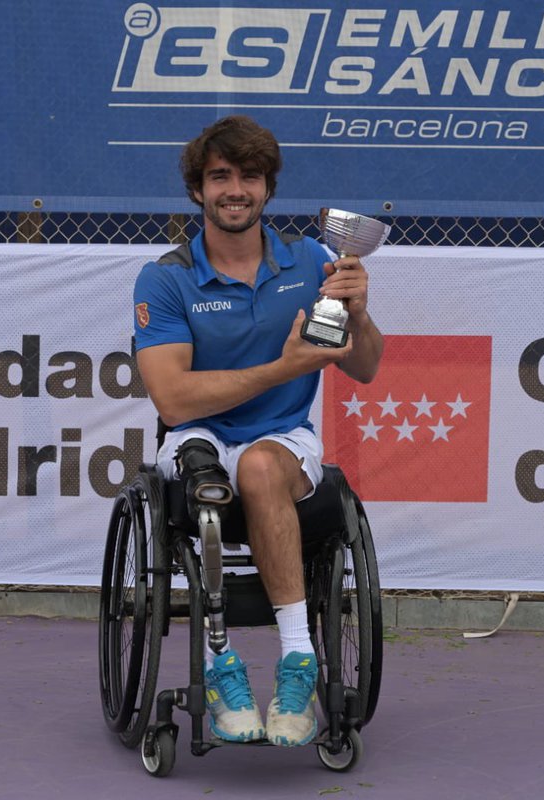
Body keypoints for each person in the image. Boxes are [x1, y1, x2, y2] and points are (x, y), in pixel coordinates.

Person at [132, 115, 383, 747]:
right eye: (220, 177)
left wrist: (358, 311)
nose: (234, 189)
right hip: (196, 437)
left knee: (260, 467)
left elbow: (366, 365)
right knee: (210, 481)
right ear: (198, 191)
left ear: (269, 188)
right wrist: (283, 367)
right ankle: (221, 670)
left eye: (249, 176)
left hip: (281, 438)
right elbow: (172, 394)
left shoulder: (316, 260)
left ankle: (297, 660)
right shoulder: (165, 277)